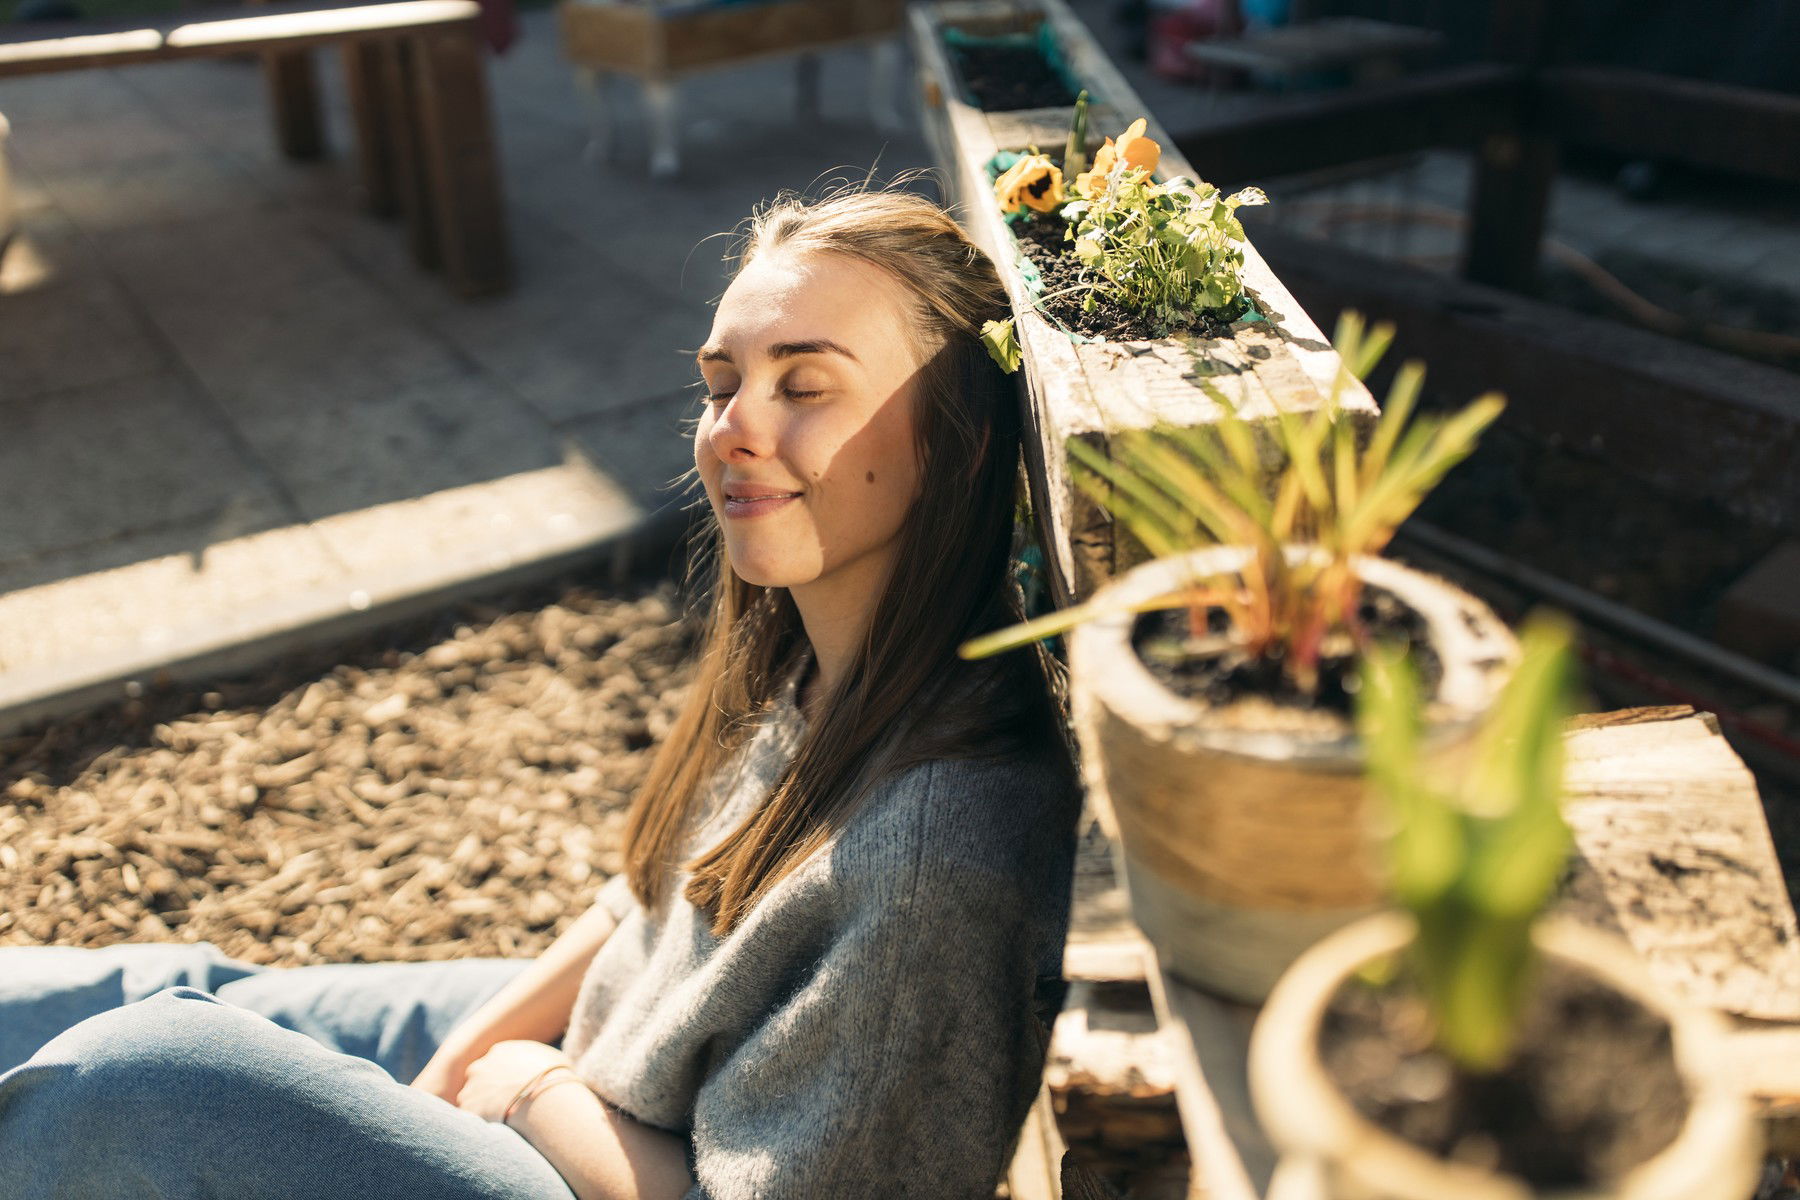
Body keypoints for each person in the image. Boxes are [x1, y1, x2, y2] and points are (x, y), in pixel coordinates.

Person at [0, 182, 1082, 1199]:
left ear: (959, 437)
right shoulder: (817, 670)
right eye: (721, 384)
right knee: (152, 993)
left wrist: (528, 1090)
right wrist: (459, 1068)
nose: (735, 426)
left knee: (145, 1076)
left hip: (578, 1152)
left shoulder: (936, 856)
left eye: (804, 385)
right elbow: (652, 901)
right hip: (588, 1065)